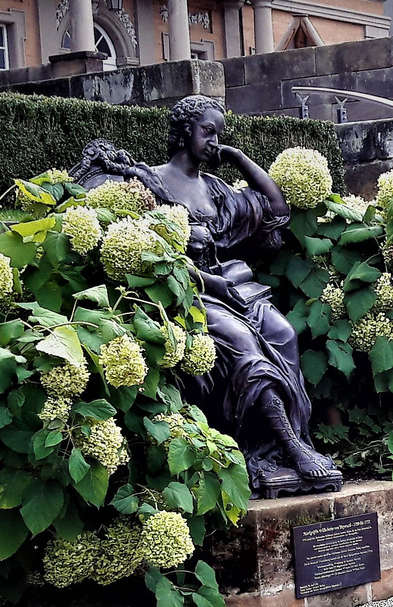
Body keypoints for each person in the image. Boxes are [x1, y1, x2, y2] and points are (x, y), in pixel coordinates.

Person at [70, 96, 342, 497]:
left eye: (219, 133)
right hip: (187, 292)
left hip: (232, 288)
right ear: (184, 132)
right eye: (208, 131)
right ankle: (289, 447)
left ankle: (275, 450)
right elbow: (149, 255)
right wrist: (210, 285)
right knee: (243, 344)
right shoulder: (150, 183)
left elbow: (276, 208)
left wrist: (237, 157)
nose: (214, 141)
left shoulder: (215, 188)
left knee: (283, 332)